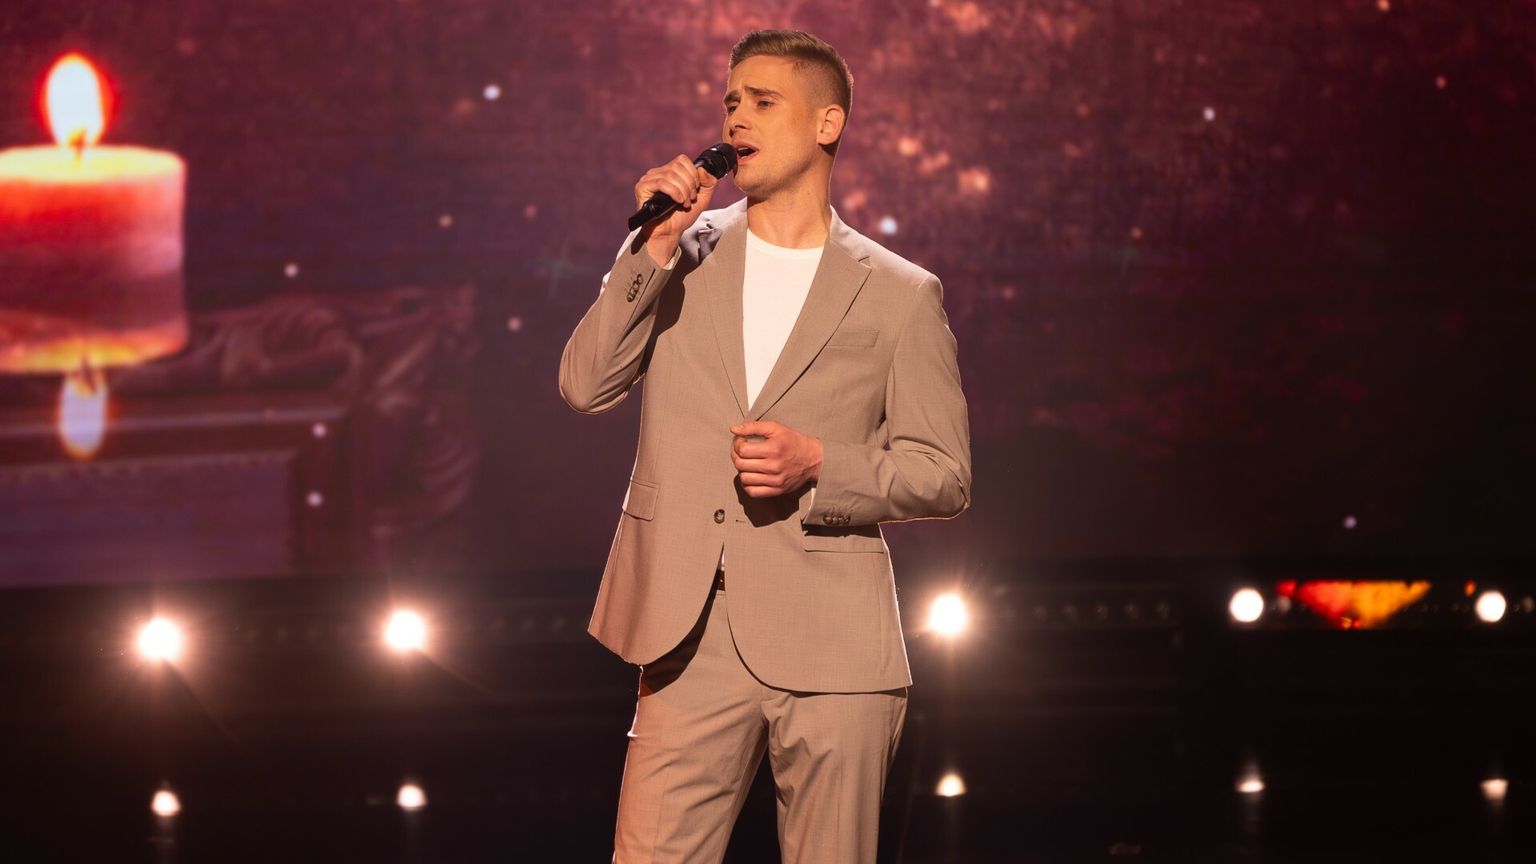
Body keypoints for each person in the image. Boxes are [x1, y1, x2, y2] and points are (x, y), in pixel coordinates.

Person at [559, 28, 971, 864]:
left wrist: (820, 464)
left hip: (834, 643)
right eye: (730, 102)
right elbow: (584, 385)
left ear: (827, 123)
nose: (736, 118)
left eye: (763, 101)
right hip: (686, 634)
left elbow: (944, 473)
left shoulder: (900, 293)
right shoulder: (676, 254)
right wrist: (652, 246)